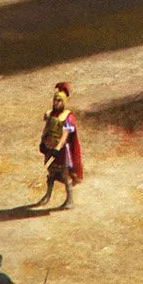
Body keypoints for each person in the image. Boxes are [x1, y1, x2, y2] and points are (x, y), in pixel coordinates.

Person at [37, 81, 82, 209]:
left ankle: (70, 200)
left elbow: (65, 134)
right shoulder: (50, 114)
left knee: (64, 174)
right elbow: (46, 129)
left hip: (61, 151)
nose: (56, 103)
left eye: (59, 101)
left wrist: (58, 148)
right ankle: (47, 196)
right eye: (55, 100)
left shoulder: (68, 117)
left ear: (63, 102)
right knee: (51, 173)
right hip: (49, 147)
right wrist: (43, 143)